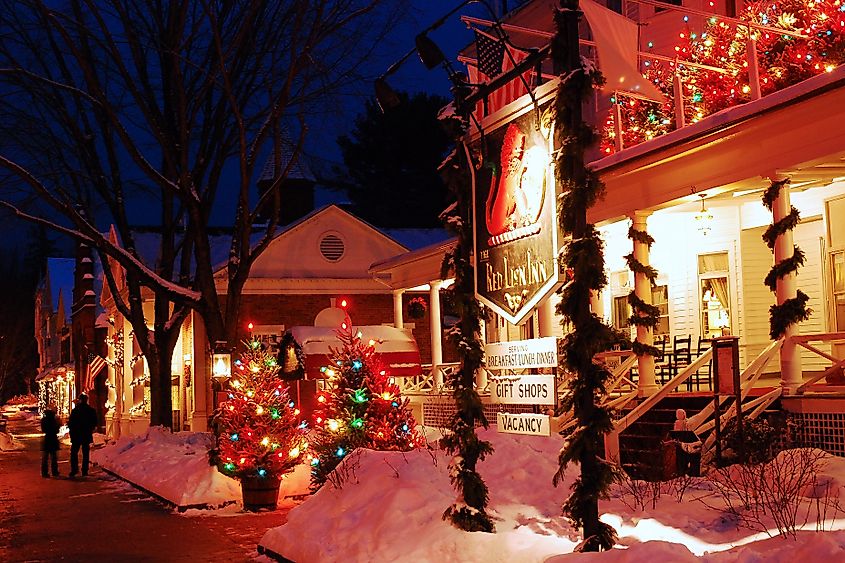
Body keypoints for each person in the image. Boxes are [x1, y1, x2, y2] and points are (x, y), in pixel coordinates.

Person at [68, 393, 97, 477]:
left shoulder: (75, 410)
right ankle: (85, 470)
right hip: (85, 434)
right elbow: (94, 422)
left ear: (80, 400)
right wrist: (89, 429)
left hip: (76, 435)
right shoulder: (91, 410)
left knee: (74, 453)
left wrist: (72, 431)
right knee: (85, 453)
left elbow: (71, 423)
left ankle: (74, 469)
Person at [40, 404, 61, 478]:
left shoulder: (44, 420)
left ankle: (44, 472)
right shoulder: (54, 420)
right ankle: (54, 472)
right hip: (53, 438)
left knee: (45, 457)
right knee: (53, 457)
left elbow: (43, 429)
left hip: (47, 439)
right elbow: (57, 429)